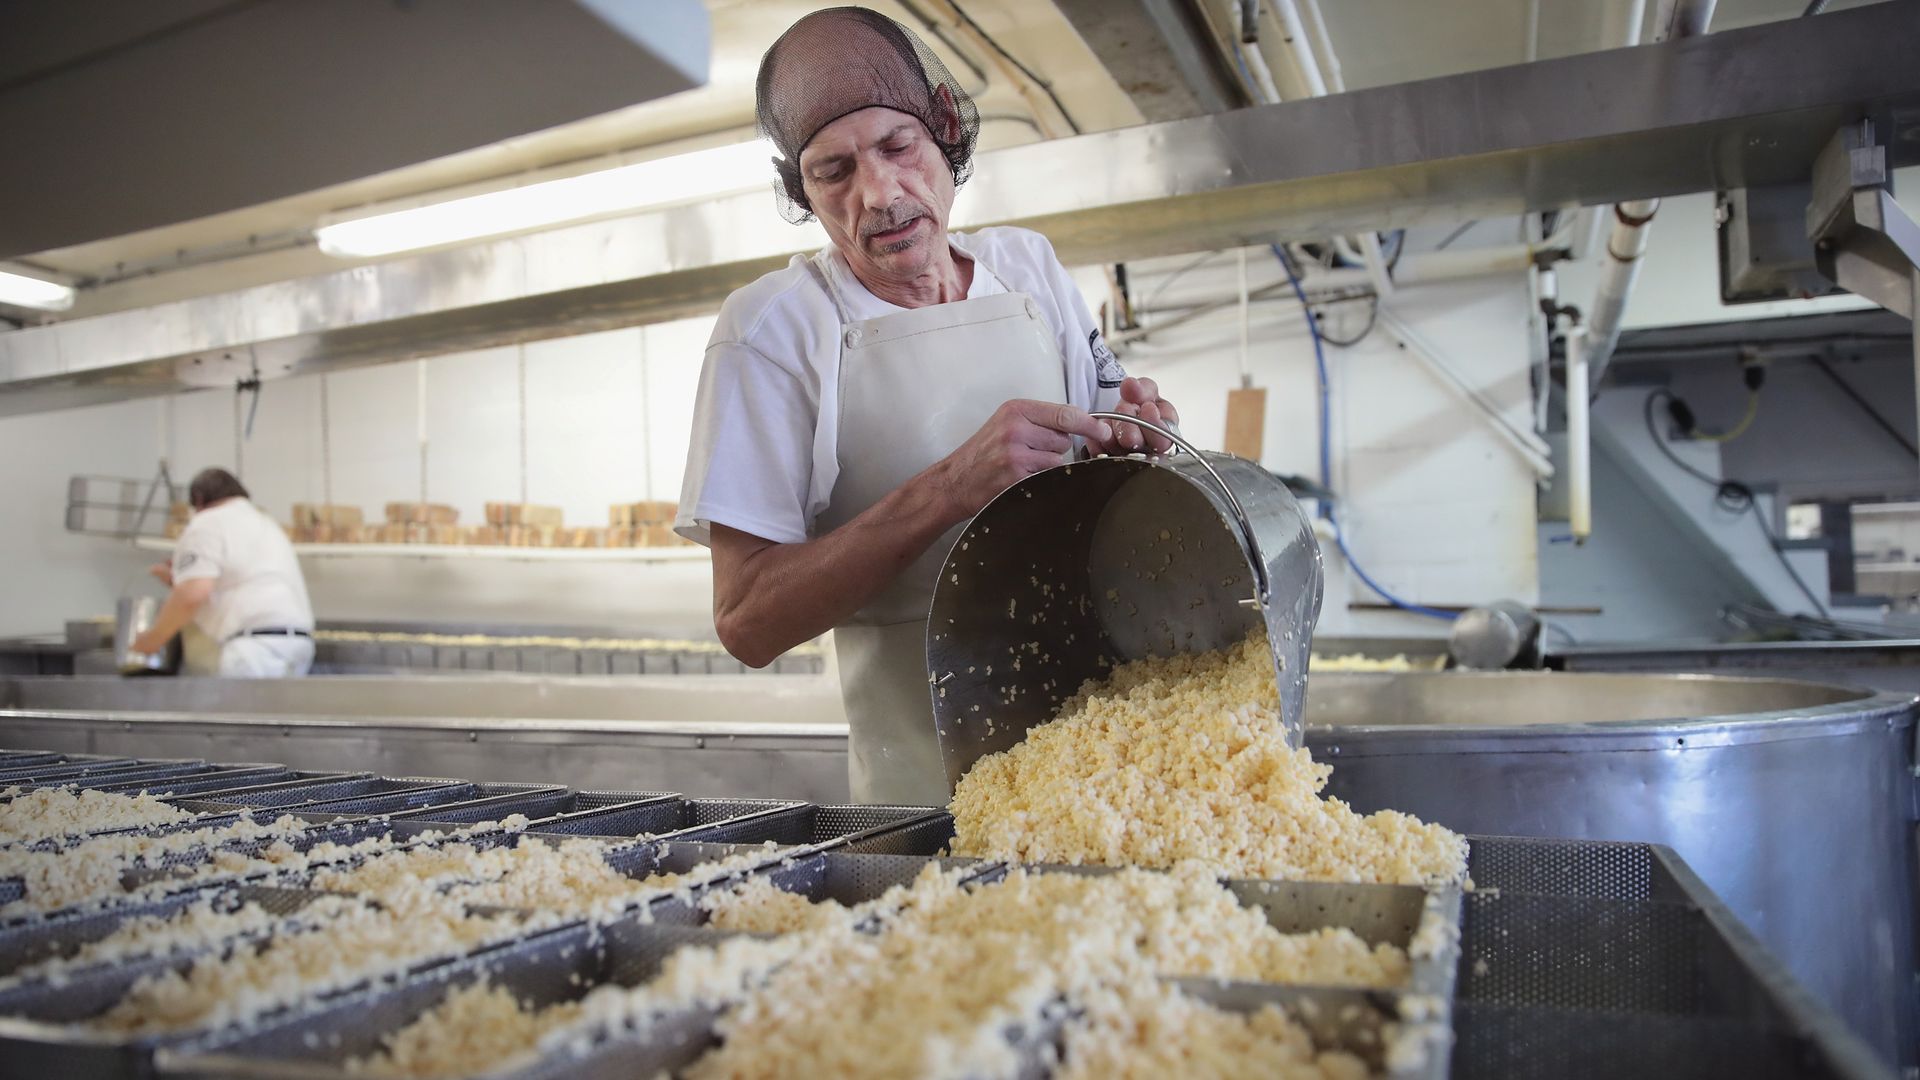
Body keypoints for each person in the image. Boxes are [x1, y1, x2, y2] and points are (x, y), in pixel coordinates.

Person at [676, 7, 1179, 804]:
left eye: (896, 146)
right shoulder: (772, 333)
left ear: (944, 126)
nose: (878, 194)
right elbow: (746, 621)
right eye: (833, 172)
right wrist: (948, 488)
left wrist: (1133, 433)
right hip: (923, 796)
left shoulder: (1028, 267)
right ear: (800, 190)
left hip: (1105, 774)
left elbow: (1110, 428)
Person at [131, 468, 316, 678]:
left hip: (253, 649)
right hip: (297, 647)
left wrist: (154, 639)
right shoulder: (266, 523)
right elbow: (237, 581)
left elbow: (193, 593)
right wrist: (178, 579)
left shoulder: (208, 522)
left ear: (199, 500)